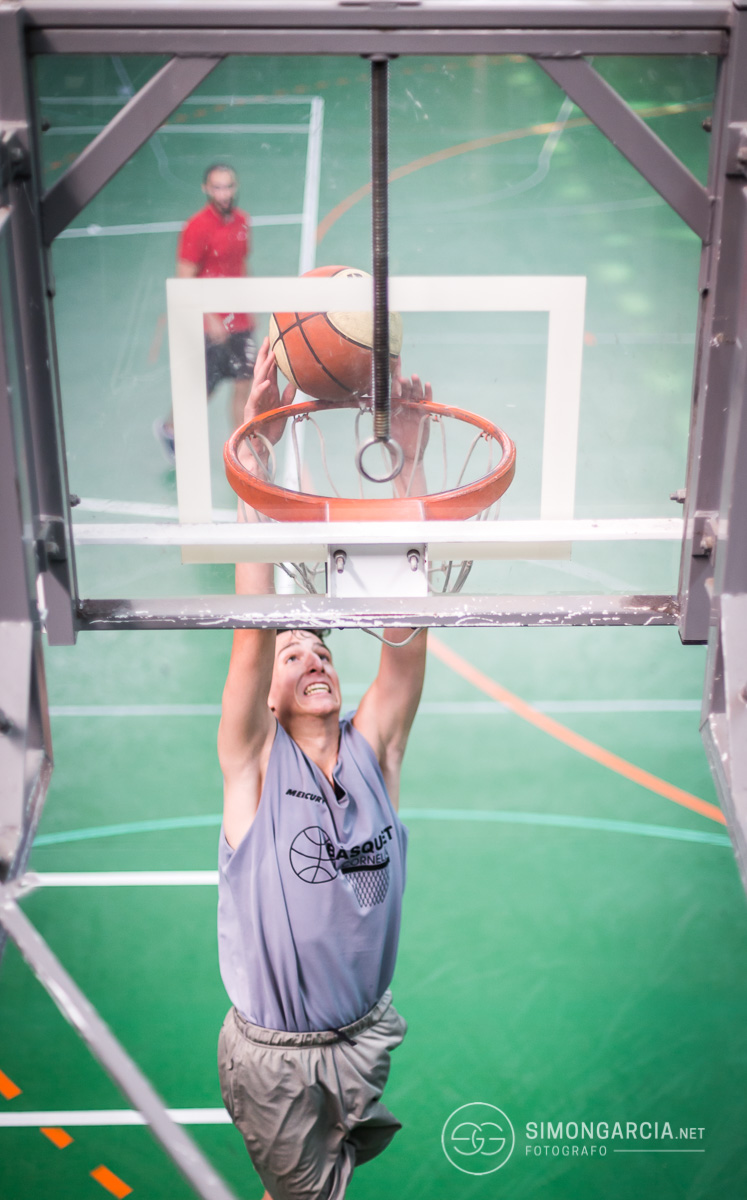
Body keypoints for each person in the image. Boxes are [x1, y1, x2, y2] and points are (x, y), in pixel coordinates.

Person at [216, 338, 429, 1200]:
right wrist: (256, 461)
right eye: (291, 653)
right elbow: (250, 632)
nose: (309, 656)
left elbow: (404, 645)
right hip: (275, 1059)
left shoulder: (375, 749)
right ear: (267, 697)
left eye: (321, 650)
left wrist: (408, 463)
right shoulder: (252, 768)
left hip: (367, 1034)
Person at [153, 163, 257, 465]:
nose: (224, 194)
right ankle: (169, 429)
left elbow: (241, 266)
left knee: (244, 382)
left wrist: (250, 304)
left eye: (228, 186)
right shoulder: (196, 227)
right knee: (202, 390)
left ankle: (240, 449)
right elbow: (185, 277)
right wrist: (211, 318)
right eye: (217, 187)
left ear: (236, 187)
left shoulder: (243, 221)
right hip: (209, 324)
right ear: (206, 189)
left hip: (239, 320)